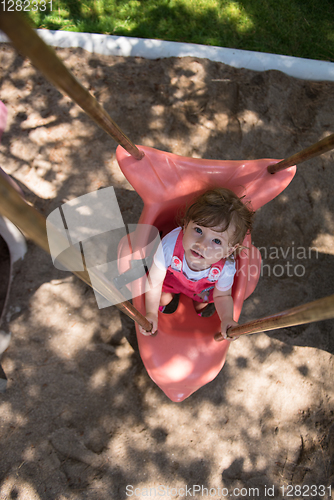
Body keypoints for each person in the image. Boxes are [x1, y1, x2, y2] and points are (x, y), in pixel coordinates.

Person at [139, 188, 254, 341]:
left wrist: (227, 318)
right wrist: (151, 313)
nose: (202, 245)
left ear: (229, 250)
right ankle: (161, 306)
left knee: (201, 302)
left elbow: (222, 295)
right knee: (162, 298)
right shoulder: (169, 245)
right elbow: (155, 281)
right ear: (185, 226)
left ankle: (196, 308)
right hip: (171, 279)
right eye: (198, 230)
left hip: (201, 289)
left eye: (217, 241)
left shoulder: (225, 267)